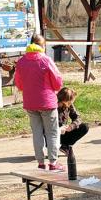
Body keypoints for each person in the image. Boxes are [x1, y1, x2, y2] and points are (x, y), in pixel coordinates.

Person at [14, 35, 64, 171]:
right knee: (52, 132)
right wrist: (53, 88)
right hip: (47, 102)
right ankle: (53, 162)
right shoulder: (46, 60)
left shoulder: (21, 61)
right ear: (42, 46)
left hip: (30, 102)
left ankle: (41, 162)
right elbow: (58, 82)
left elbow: (18, 83)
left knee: (37, 132)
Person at [56, 87, 89, 154]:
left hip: (63, 132)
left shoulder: (69, 105)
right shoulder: (53, 106)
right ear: (66, 100)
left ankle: (65, 145)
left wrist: (72, 126)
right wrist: (59, 128)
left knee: (84, 127)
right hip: (52, 133)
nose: (72, 102)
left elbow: (77, 118)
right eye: (71, 100)